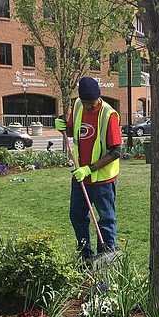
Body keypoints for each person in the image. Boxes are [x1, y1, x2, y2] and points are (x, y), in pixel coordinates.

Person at [55, 77, 122, 263]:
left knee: (106, 220)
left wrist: (89, 169)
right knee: (77, 216)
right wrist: (63, 127)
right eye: (85, 103)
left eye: (91, 104)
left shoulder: (109, 115)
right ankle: (86, 257)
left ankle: (107, 258)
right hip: (81, 177)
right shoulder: (77, 106)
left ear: (98, 99)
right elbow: (72, 131)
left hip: (102, 180)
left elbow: (116, 151)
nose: (87, 107)